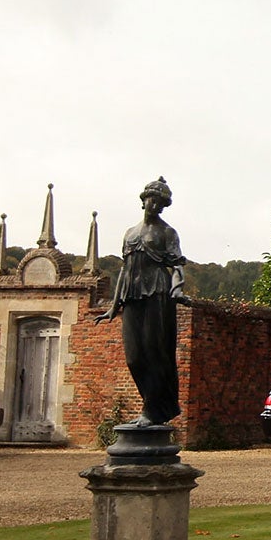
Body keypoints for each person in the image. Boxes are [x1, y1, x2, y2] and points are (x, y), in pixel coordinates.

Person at [94, 177, 190, 427]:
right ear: (144, 200)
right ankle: (151, 405)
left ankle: (153, 410)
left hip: (157, 293)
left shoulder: (167, 232)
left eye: (161, 203)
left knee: (155, 353)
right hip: (132, 294)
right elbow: (125, 271)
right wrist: (113, 307)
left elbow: (177, 266)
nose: (155, 206)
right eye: (152, 200)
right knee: (134, 357)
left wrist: (177, 290)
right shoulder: (130, 233)